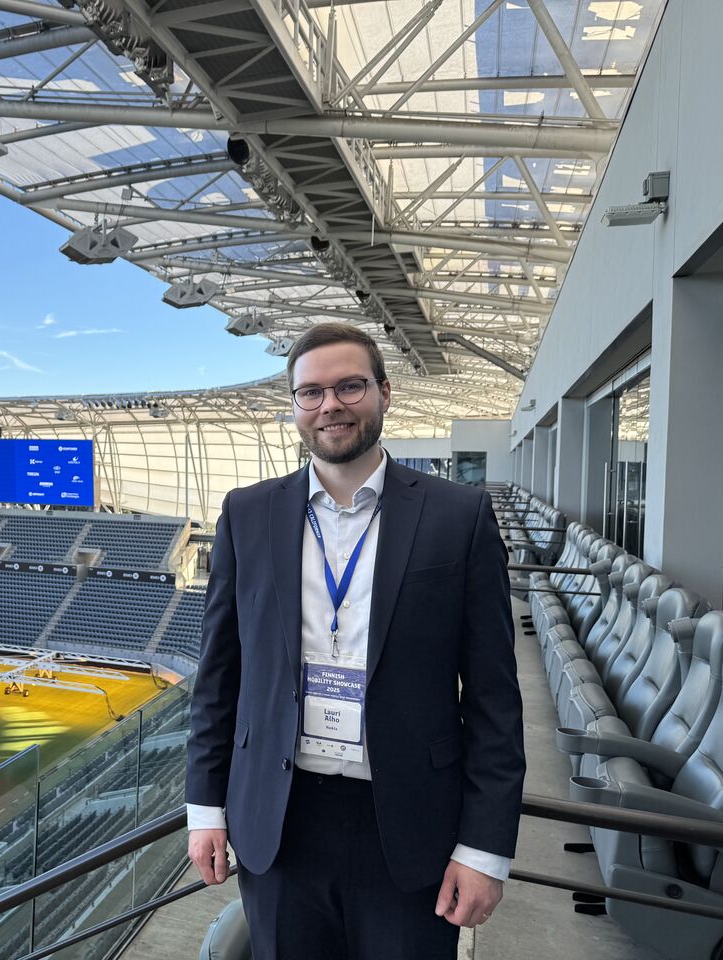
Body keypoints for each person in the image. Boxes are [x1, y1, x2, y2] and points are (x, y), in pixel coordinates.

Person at [184, 322, 525, 960]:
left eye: (349, 386)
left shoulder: (459, 516)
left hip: (409, 825)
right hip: (279, 823)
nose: (329, 405)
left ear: (384, 393)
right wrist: (205, 806)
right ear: (293, 406)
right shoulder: (246, 514)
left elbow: (494, 701)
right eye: (309, 392)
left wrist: (485, 849)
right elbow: (219, 676)